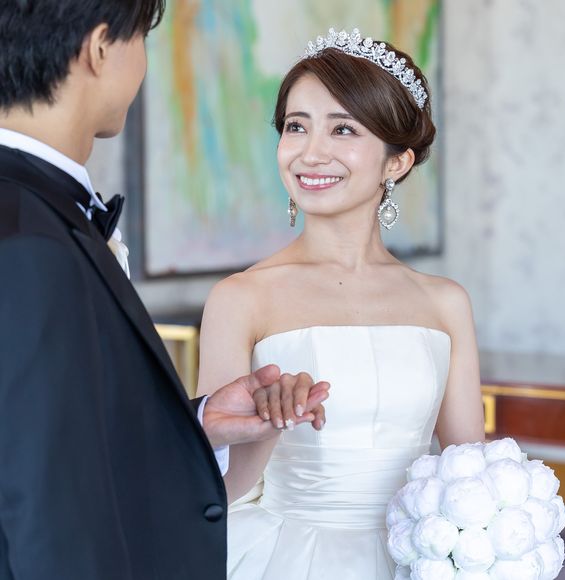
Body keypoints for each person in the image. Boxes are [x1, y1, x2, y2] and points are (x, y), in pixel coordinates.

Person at [0, 2, 329, 579]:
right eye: (141, 41)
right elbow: (41, 507)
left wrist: (193, 425)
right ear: (100, 49)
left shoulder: (33, 210)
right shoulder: (28, 239)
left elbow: (53, 436)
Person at [196, 28, 486, 579]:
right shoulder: (241, 298)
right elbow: (217, 492)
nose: (311, 152)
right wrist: (268, 422)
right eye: (295, 126)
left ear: (397, 162)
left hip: (416, 561)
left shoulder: (445, 303)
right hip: (284, 558)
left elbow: (471, 481)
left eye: (343, 129)